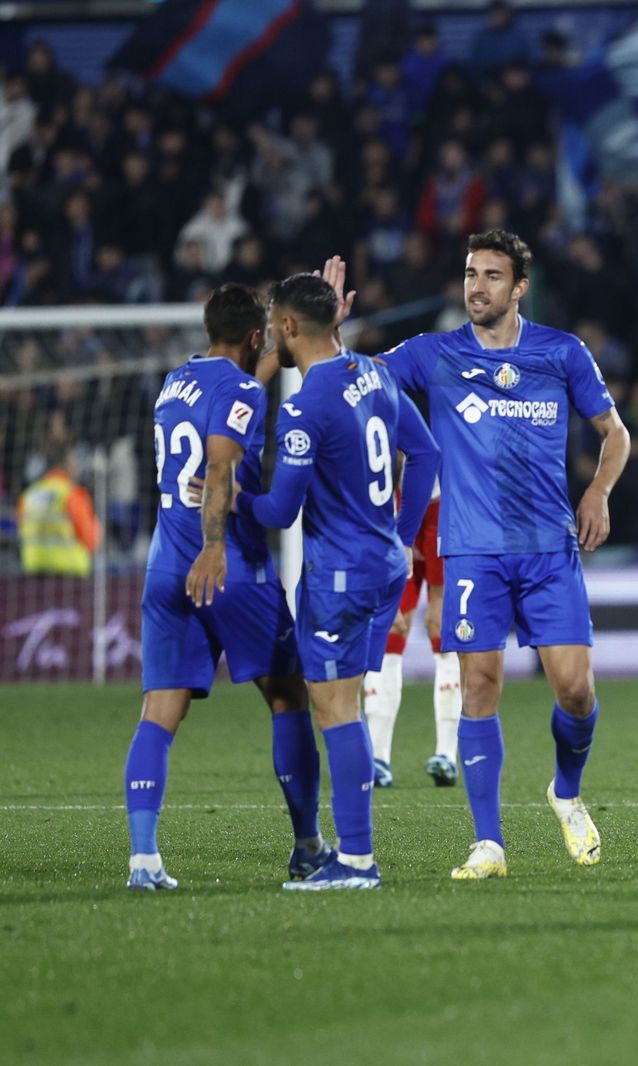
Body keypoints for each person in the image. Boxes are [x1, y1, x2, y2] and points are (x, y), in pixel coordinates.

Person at [362, 228, 631, 878]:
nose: (475, 287)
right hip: (473, 553)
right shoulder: (435, 354)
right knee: (479, 688)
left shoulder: (561, 353)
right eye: (470, 274)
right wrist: (326, 333)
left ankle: (565, 790)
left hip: (548, 551)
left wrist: (597, 491)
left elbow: (614, 432)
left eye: (490, 276)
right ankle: (489, 843)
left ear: (519, 288)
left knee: (575, 691)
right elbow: (359, 375)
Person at [225, 271, 440, 890]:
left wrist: (233, 491)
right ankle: (353, 855)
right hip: (383, 568)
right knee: (345, 706)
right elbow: (425, 455)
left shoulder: (304, 408)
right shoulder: (375, 373)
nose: (270, 338)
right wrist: (401, 536)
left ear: (289, 328)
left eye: (274, 328)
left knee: (335, 710)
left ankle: (355, 860)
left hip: (338, 576)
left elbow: (278, 512)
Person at [122, 284, 326, 891]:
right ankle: (309, 847)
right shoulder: (238, 389)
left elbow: (241, 382)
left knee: (158, 712)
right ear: (257, 334)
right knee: (288, 693)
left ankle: (143, 859)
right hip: (227, 565)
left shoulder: (176, 381)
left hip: (165, 566)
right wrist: (215, 548)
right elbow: (219, 465)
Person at [362, 484, 464, 789]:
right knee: (389, 629)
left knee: (440, 624)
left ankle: (446, 754)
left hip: (440, 506)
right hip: (390, 506)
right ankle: (378, 758)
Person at [18, 442, 99, 576]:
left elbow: (20, 532)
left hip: (32, 574)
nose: (78, 465)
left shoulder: (28, 496)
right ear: (65, 463)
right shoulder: (73, 494)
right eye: (75, 459)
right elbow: (91, 541)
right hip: (70, 577)